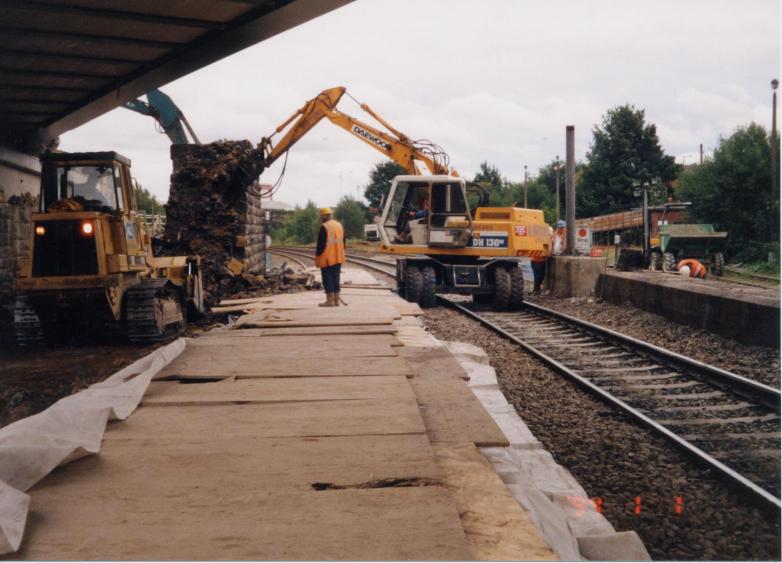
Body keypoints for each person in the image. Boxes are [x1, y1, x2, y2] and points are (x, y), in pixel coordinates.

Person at [315, 207, 346, 306]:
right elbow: (343, 241)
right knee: (336, 278)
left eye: (321, 216)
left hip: (327, 257)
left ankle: (329, 301)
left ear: (324, 215)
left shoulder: (325, 226)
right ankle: (336, 300)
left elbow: (321, 245)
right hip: (338, 256)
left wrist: (318, 256)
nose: (321, 218)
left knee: (327, 279)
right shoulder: (339, 225)